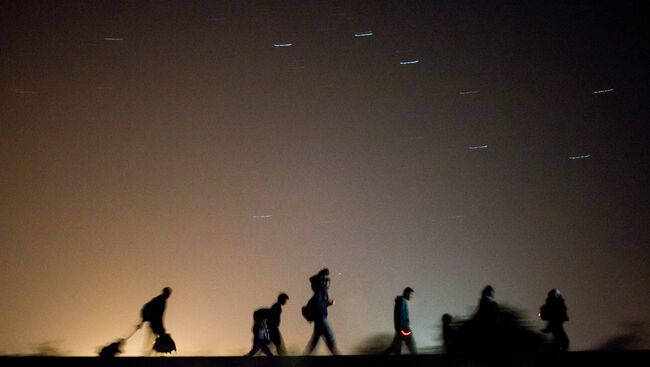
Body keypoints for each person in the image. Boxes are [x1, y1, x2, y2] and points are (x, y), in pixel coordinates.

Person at [305, 268, 339, 355]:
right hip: (321, 318)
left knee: (314, 342)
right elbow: (318, 305)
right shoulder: (321, 291)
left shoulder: (321, 292)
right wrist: (327, 303)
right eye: (324, 280)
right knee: (329, 337)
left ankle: (303, 359)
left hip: (320, 318)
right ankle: (338, 357)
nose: (326, 283)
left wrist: (327, 303)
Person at [140, 287, 176, 354]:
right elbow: (157, 315)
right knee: (159, 338)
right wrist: (146, 318)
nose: (168, 295)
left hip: (155, 323)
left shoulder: (160, 300)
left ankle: (152, 353)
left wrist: (145, 319)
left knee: (155, 338)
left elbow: (159, 315)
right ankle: (151, 354)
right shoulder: (160, 300)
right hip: (155, 323)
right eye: (168, 294)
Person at [385, 287, 416, 354]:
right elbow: (400, 314)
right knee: (412, 346)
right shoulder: (402, 300)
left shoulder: (402, 301)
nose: (412, 297)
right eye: (411, 294)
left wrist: (399, 329)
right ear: (407, 293)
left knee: (395, 348)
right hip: (404, 328)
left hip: (401, 328)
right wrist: (401, 328)